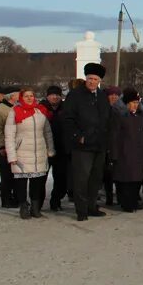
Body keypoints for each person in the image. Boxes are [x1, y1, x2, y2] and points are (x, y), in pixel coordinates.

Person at [61, 63, 113, 221]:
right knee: (81, 179)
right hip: (83, 145)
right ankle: (81, 210)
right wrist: (78, 136)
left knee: (95, 179)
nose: (92, 81)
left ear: (99, 81)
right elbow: (67, 119)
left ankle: (91, 206)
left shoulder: (102, 96)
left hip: (99, 144)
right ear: (86, 78)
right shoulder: (75, 95)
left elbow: (107, 119)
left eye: (95, 79)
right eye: (89, 78)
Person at [5, 87, 55, 219]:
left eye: (31, 96)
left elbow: (47, 132)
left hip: (39, 152)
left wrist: (50, 149)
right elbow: (9, 135)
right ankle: (23, 207)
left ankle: (35, 207)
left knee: (37, 182)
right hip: (21, 152)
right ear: (21, 98)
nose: (29, 98)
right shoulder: (14, 112)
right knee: (21, 182)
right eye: (26, 96)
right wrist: (11, 155)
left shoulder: (40, 111)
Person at [110, 89, 143, 213]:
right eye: (132, 102)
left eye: (137, 103)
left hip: (138, 153)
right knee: (125, 180)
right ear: (126, 103)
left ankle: (133, 201)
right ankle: (126, 202)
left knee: (136, 180)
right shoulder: (120, 117)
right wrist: (114, 155)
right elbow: (114, 137)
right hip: (124, 153)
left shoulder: (140, 117)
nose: (135, 105)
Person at [0, 86, 21, 208]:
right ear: (12, 96)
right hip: (5, 148)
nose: (20, 95)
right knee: (7, 175)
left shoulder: (17, 108)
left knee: (17, 175)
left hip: (17, 147)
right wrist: (0, 146)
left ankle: (18, 197)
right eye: (18, 93)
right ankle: (6, 199)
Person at [40, 85, 68, 211]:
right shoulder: (41, 109)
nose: (55, 97)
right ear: (47, 96)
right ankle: (38, 203)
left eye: (57, 95)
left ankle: (56, 200)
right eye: (52, 95)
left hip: (61, 148)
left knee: (61, 178)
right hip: (44, 149)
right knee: (41, 178)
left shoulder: (65, 108)